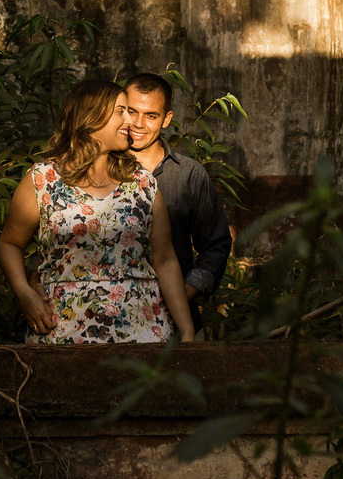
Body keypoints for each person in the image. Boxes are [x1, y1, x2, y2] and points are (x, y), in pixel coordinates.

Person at [28, 73, 233, 334]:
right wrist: (34, 281)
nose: (136, 123)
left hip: (172, 321)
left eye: (151, 116)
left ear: (167, 119)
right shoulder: (82, 170)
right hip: (87, 324)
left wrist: (181, 294)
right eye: (130, 111)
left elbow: (215, 245)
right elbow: (58, 237)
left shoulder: (187, 175)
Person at [0, 80, 195, 343]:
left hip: (144, 336)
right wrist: (24, 292)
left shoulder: (142, 183)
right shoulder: (42, 179)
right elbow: (10, 243)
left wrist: (187, 331)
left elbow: (165, 259)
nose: (132, 121)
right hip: (63, 336)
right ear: (90, 119)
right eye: (121, 112)